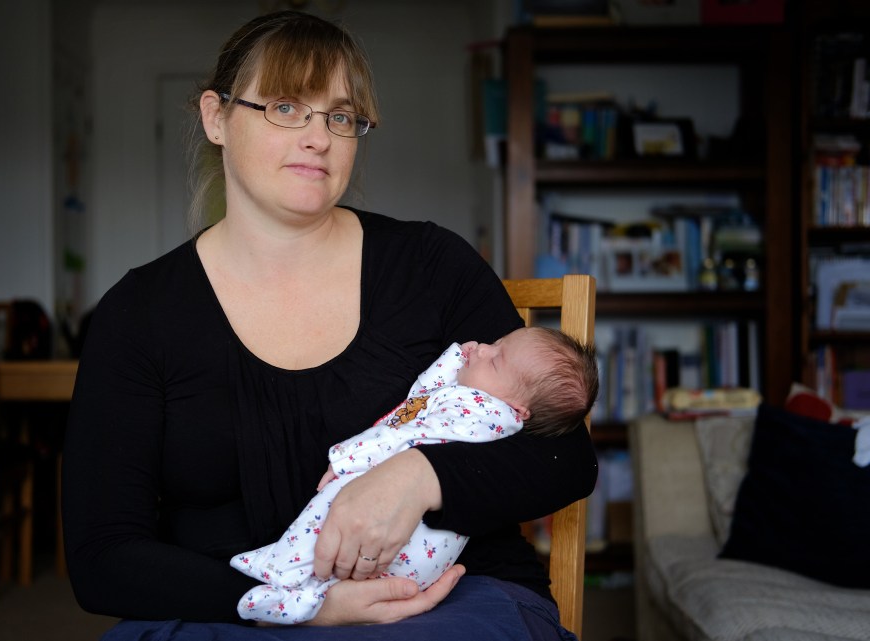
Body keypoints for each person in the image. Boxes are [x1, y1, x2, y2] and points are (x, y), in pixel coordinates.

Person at [61, 10, 598, 641]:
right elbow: (102, 558)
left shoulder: (431, 265)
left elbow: (565, 458)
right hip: (231, 607)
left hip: (437, 603)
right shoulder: (139, 313)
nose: (319, 137)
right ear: (215, 118)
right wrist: (303, 606)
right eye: (286, 107)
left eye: (340, 117)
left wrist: (419, 476)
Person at [234, 328, 598, 624]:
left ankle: (282, 576)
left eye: (496, 357)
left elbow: (404, 430)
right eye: (493, 343)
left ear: (518, 409)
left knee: (335, 504)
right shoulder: (481, 397)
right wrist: (463, 356)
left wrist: (348, 456)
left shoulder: (481, 411)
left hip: (415, 546)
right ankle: (298, 597)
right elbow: (422, 396)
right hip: (419, 566)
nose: (482, 347)